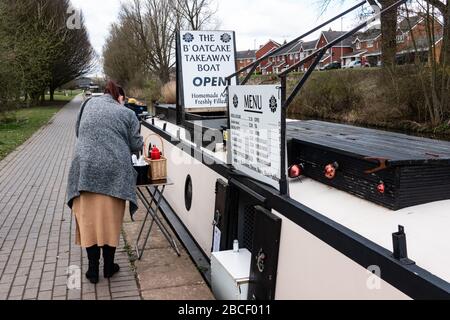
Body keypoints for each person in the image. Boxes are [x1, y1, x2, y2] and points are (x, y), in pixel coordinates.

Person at [66, 81, 144, 284]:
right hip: (114, 171)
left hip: (84, 168)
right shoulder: (127, 113)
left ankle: (93, 270)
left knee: (88, 220)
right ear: (120, 98)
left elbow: (78, 131)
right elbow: (136, 144)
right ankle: (109, 267)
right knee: (110, 220)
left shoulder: (87, 104)